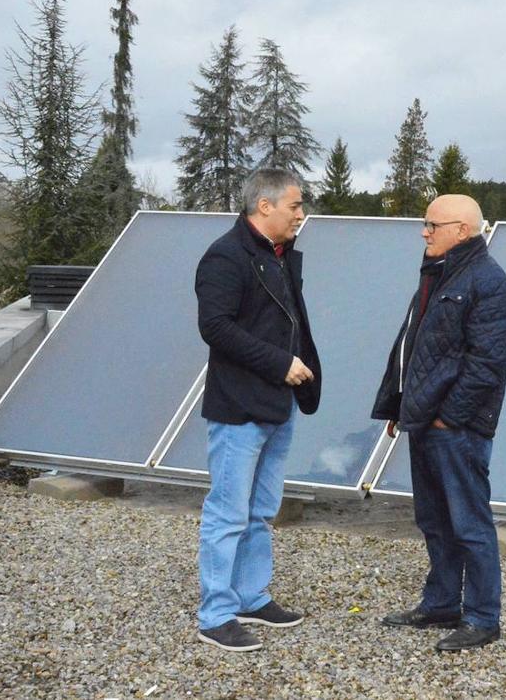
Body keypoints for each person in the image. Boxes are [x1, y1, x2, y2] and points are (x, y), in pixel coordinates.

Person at [373, 194, 506, 652]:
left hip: (457, 429)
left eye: (431, 225)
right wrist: (400, 405)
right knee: (435, 520)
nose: (424, 231)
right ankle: (441, 604)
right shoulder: (439, 274)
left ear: (461, 230)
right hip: (427, 421)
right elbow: (414, 348)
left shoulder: (490, 284)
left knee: (469, 524)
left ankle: (482, 618)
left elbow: (489, 363)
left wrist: (447, 417)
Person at [194, 168, 322, 652]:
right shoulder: (226, 256)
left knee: (261, 511)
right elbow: (216, 327)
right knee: (228, 513)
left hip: (278, 405)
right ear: (264, 206)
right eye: (295, 205)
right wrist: (279, 363)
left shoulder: (278, 255)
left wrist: (300, 369)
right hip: (238, 408)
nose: (301, 214)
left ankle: (250, 597)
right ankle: (216, 614)